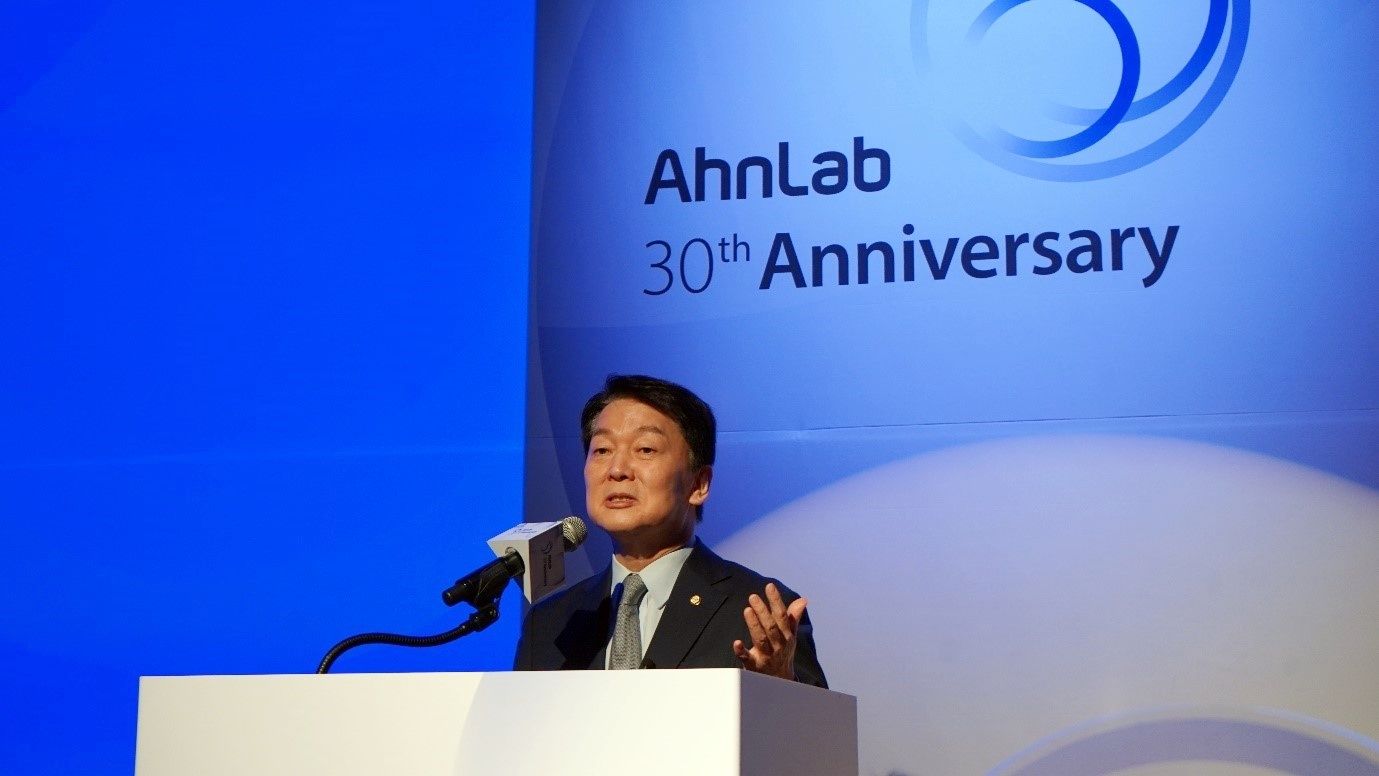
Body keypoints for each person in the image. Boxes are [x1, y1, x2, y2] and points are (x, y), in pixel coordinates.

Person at [513, 374, 827, 687]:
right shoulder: (551, 624)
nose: (617, 470)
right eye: (602, 450)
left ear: (699, 484)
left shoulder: (760, 614)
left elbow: (815, 720)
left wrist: (779, 684)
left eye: (645, 449)